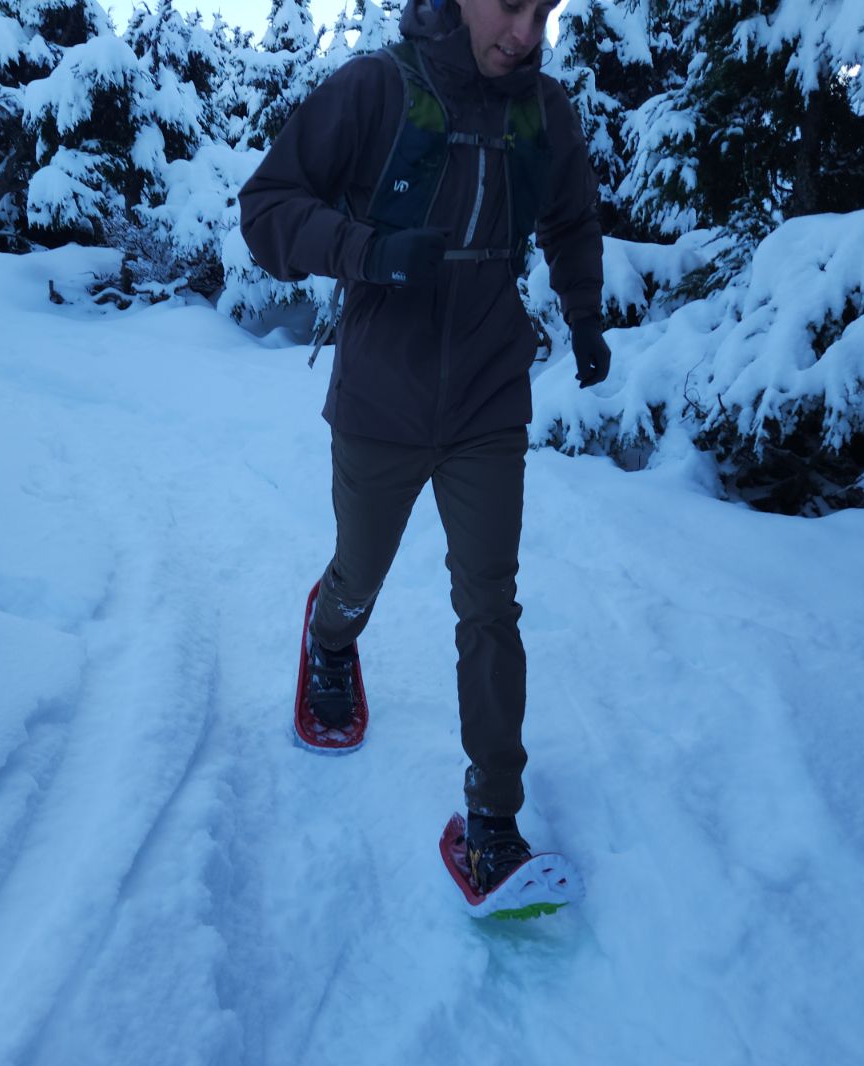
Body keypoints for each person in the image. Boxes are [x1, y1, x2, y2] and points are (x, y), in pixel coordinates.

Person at [239, 0, 610, 896]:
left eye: (544, 10)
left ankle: (493, 825)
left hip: (489, 396)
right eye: (510, 6)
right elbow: (267, 209)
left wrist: (585, 313)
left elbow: (571, 218)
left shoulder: (544, 112)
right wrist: (364, 249)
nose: (525, 31)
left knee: (490, 605)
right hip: (381, 398)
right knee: (359, 572)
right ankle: (331, 639)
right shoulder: (375, 89)